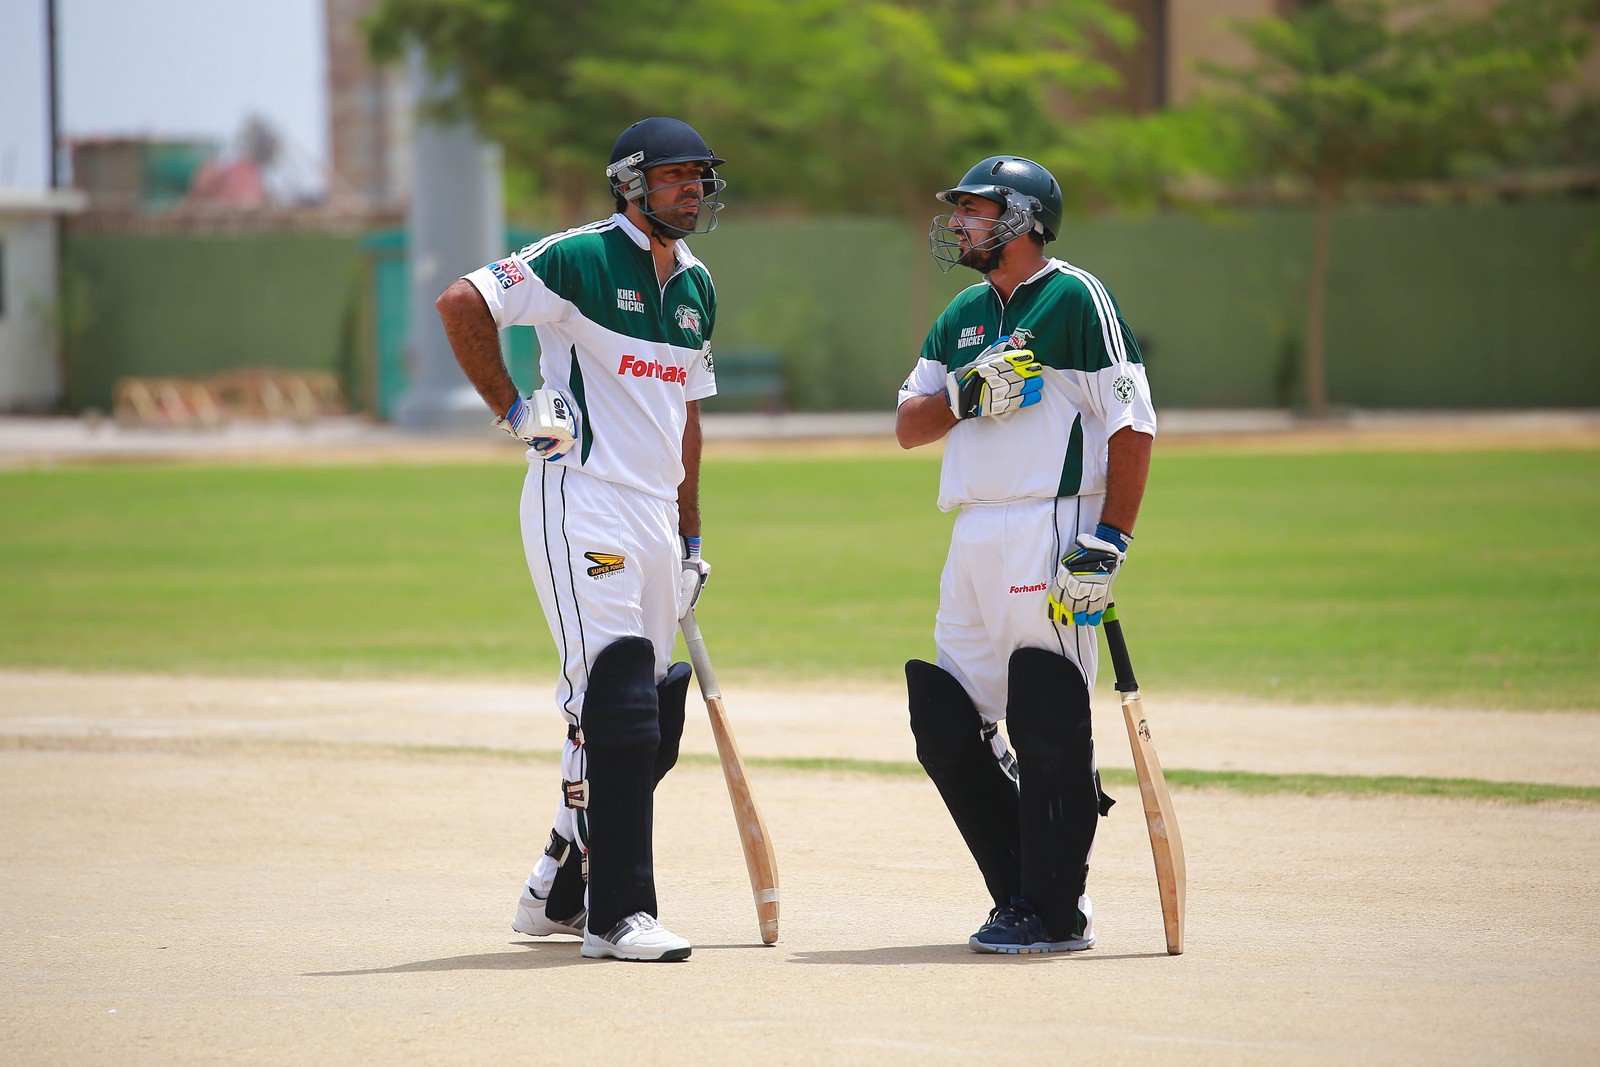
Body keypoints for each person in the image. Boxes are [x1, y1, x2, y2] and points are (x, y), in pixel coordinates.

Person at [434, 116, 726, 963]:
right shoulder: (578, 257)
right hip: (582, 496)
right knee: (615, 697)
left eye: (700, 176)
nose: (692, 190)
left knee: (653, 717)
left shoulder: (698, 283)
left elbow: (687, 417)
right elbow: (462, 303)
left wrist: (691, 533)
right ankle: (617, 914)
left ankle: (556, 891)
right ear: (631, 183)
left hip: (656, 515)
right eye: (674, 176)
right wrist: (515, 412)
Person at [894, 155, 1157, 954]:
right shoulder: (963, 313)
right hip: (972, 528)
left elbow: (1133, 422)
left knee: (1046, 712)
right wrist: (964, 394)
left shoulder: (1076, 298)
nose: (958, 222)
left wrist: (1109, 539)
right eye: (959, 210)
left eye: (975, 209)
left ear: (1023, 219)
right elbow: (908, 424)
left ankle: (1053, 907)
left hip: (1051, 522)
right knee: (944, 719)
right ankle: (1025, 890)